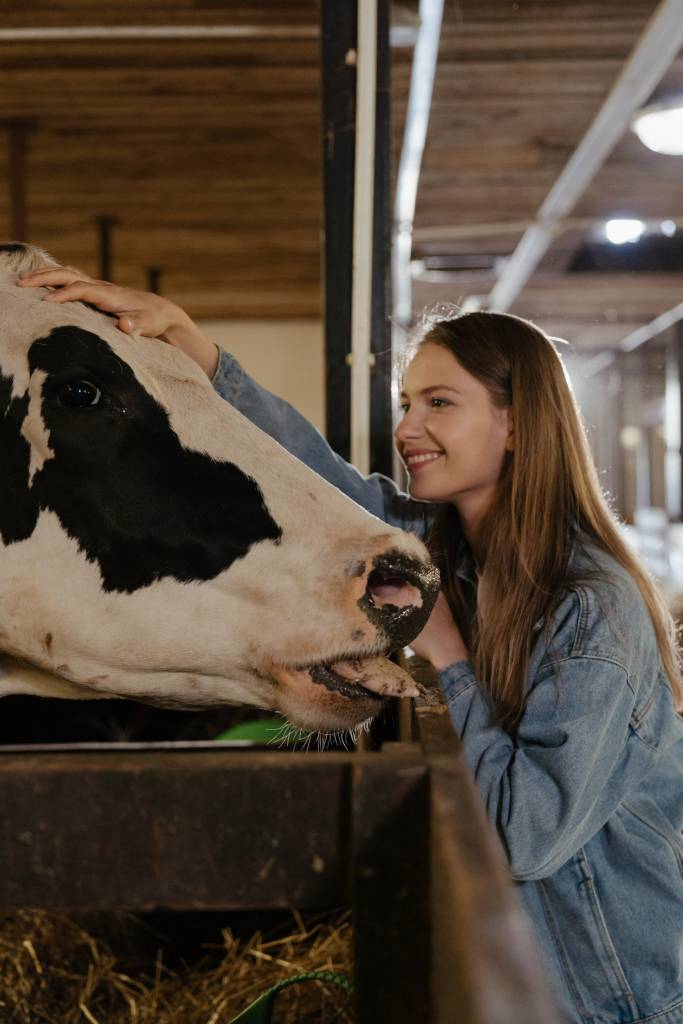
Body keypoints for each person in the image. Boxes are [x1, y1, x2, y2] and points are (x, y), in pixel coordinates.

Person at [18, 267, 683, 1024]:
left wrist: (448, 660)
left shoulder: (591, 607)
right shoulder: (455, 550)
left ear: (518, 423)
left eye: (439, 403)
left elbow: (526, 836)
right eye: (406, 403)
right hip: (525, 980)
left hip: (615, 994)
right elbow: (320, 479)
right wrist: (198, 353)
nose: (406, 429)